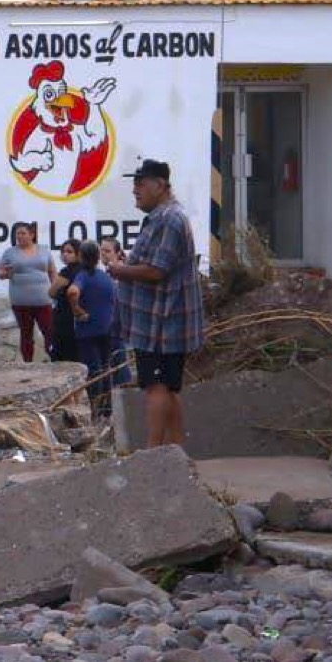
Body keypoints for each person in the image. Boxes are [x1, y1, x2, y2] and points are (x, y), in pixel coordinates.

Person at [106, 159, 207, 449]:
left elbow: (156, 271)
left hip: (162, 324)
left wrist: (119, 270)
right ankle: (176, 454)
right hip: (154, 323)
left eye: (141, 183)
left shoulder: (170, 219)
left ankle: (153, 456)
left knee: (157, 387)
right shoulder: (161, 218)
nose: (135, 189)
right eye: (134, 183)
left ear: (160, 185)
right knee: (168, 388)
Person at [67, 241, 118, 417]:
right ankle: (107, 410)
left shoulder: (82, 276)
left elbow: (72, 292)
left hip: (88, 331)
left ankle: (97, 409)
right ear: (97, 257)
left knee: (94, 370)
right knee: (106, 368)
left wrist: (77, 311)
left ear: (81, 256)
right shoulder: (105, 277)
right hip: (107, 328)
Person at [0, 223, 56, 363]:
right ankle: (28, 363)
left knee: (49, 332)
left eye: (23, 233)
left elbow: (52, 271)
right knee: (26, 334)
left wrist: (56, 291)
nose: (19, 236)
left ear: (31, 235)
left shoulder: (44, 251)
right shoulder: (10, 252)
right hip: (21, 301)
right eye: (18, 234)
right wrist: (5, 274)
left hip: (43, 300)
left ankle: (55, 359)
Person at [99, 237, 131, 386]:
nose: (103, 254)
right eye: (101, 250)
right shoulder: (108, 271)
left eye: (107, 251)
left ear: (118, 253)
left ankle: (125, 388)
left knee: (119, 356)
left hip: (120, 322)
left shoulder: (121, 272)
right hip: (112, 322)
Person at [47, 239, 83, 363]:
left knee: (62, 354)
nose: (65, 254)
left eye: (69, 252)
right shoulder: (86, 270)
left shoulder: (67, 272)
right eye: (63, 252)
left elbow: (51, 292)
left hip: (65, 317)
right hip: (80, 317)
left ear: (78, 253)